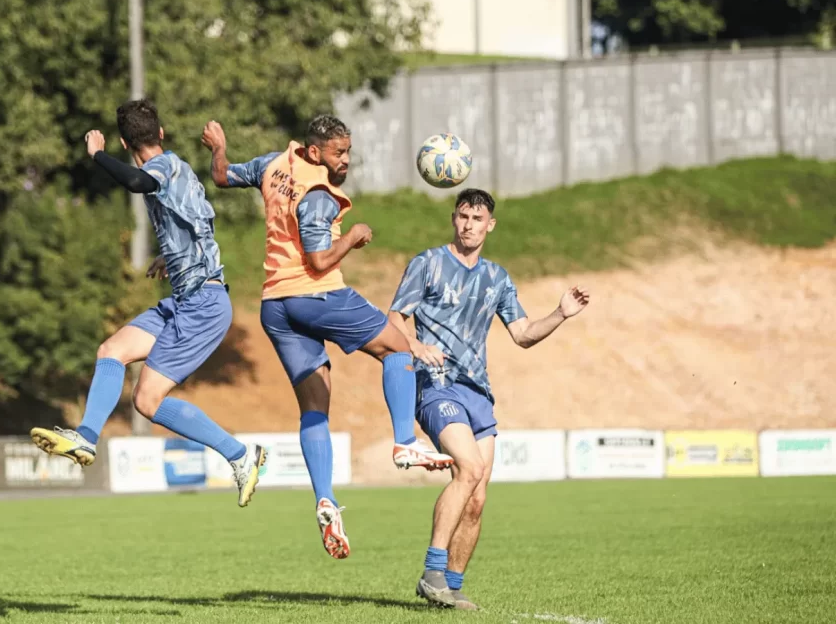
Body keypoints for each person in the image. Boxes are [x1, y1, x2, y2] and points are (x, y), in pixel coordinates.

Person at [203, 114, 454, 560]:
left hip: (275, 305)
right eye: (339, 153)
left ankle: (325, 499)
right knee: (398, 346)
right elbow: (319, 261)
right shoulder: (319, 192)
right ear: (316, 152)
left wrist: (219, 146)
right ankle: (404, 442)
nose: (346, 161)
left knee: (315, 405)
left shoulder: (273, 163)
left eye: (349, 151)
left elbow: (222, 177)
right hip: (314, 294)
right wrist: (353, 237)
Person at [30, 99, 267, 508]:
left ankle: (242, 455)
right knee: (111, 351)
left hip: (204, 305)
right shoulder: (180, 170)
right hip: (186, 298)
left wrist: (96, 155)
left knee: (146, 401)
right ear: (160, 132)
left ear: (124, 142)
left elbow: (140, 183)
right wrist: (171, 256)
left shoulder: (162, 168)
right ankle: (86, 438)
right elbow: (199, 222)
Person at [388, 188, 590, 609]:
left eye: (477, 219)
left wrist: (560, 315)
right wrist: (415, 346)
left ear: (489, 225)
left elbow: (523, 335)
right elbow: (394, 320)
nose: (468, 225)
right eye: (462, 216)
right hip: (436, 385)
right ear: (453, 218)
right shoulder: (427, 264)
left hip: (478, 392)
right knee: (469, 467)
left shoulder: (497, 278)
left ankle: (452, 588)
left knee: (477, 497)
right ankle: (431, 573)